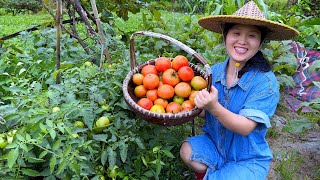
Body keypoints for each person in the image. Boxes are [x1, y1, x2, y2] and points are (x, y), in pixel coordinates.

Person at [179, 1, 299, 179]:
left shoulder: (265, 82)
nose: (242, 41)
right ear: (225, 35)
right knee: (187, 150)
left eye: (252, 35)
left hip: (247, 158)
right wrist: (193, 105)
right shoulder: (215, 72)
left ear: (260, 42)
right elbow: (207, 113)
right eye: (236, 33)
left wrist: (213, 107)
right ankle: (216, 172)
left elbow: (245, 127)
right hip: (215, 144)